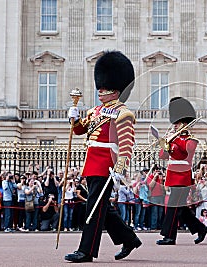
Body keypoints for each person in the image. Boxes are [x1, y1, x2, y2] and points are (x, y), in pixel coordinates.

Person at [64, 50, 141, 263]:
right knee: (101, 206)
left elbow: (126, 144)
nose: (100, 91)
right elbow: (81, 131)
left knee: (94, 208)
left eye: (105, 88)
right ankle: (129, 238)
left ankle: (86, 251)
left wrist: (119, 170)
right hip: (92, 162)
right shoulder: (95, 111)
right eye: (100, 87)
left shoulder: (123, 113)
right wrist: (75, 119)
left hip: (106, 164)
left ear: (116, 91)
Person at [156, 97, 207, 246]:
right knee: (180, 209)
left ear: (184, 124)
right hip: (173, 174)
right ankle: (200, 229)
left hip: (183, 175)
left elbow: (183, 154)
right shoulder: (173, 139)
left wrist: (171, 146)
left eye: (177, 123)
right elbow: (163, 156)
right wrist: (165, 146)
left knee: (174, 206)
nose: (174, 126)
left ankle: (169, 236)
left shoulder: (191, 140)